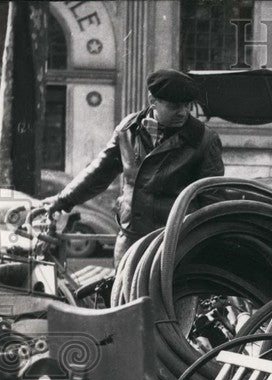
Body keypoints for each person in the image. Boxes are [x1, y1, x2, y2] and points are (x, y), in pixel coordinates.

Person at [44, 69, 224, 262]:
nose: (183, 112)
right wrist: (63, 200)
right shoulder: (127, 130)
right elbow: (99, 172)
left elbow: (212, 197)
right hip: (130, 238)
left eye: (187, 106)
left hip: (176, 242)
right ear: (152, 101)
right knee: (123, 290)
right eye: (174, 106)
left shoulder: (204, 139)